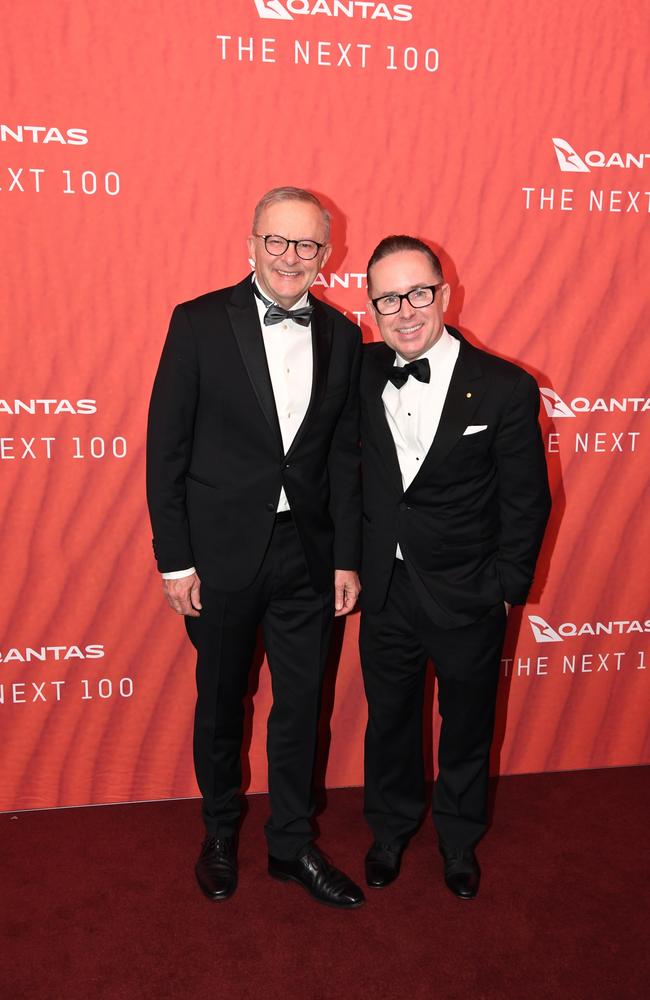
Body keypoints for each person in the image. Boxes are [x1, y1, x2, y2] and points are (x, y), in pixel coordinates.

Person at [146, 187, 364, 908]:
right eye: (278, 241)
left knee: (302, 705)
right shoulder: (199, 322)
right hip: (219, 557)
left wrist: (344, 556)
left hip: (305, 554)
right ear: (251, 244)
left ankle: (292, 844)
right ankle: (218, 832)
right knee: (221, 703)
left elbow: (340, 457)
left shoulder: (342, 334)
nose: (290, 258)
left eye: (306, 245)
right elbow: (166, 451)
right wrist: (175, 560)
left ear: (326, 256)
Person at [359, 236, 551, 899]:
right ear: (372, 307)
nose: (405, 310)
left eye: (418, 293)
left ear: (445, 293)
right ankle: (389, 831)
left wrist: (506, 590)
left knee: (468, 724)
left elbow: (528, 500)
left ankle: (459, 840)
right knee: (389, 721)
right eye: (389, 298)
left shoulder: (503, 387)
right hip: (386, 588)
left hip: (470, 591)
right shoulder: (358, 375)